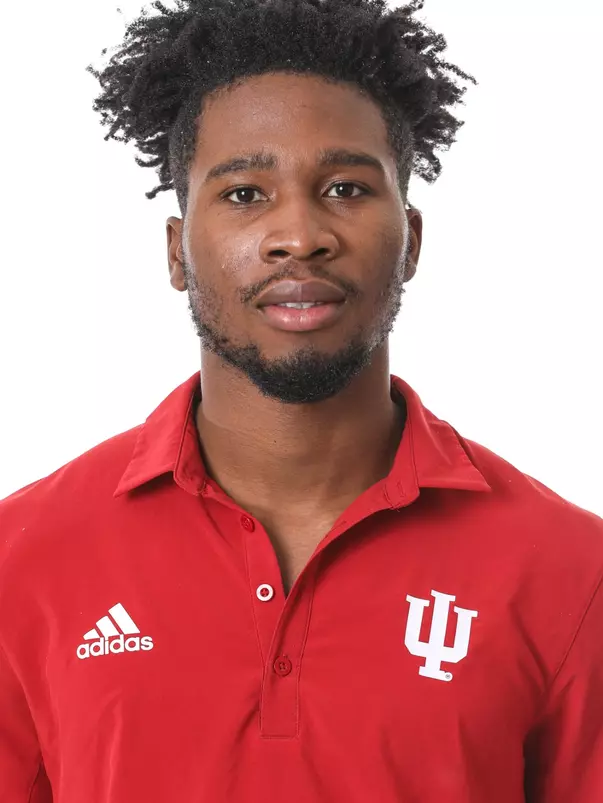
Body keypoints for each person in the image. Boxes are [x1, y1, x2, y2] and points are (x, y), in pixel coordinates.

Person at [1, 0, 602, 799]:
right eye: (245, 194)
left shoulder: (568, 570)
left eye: (346, 186)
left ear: (411, 241)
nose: (299, 234)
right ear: (177, 252)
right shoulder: (23, 559)